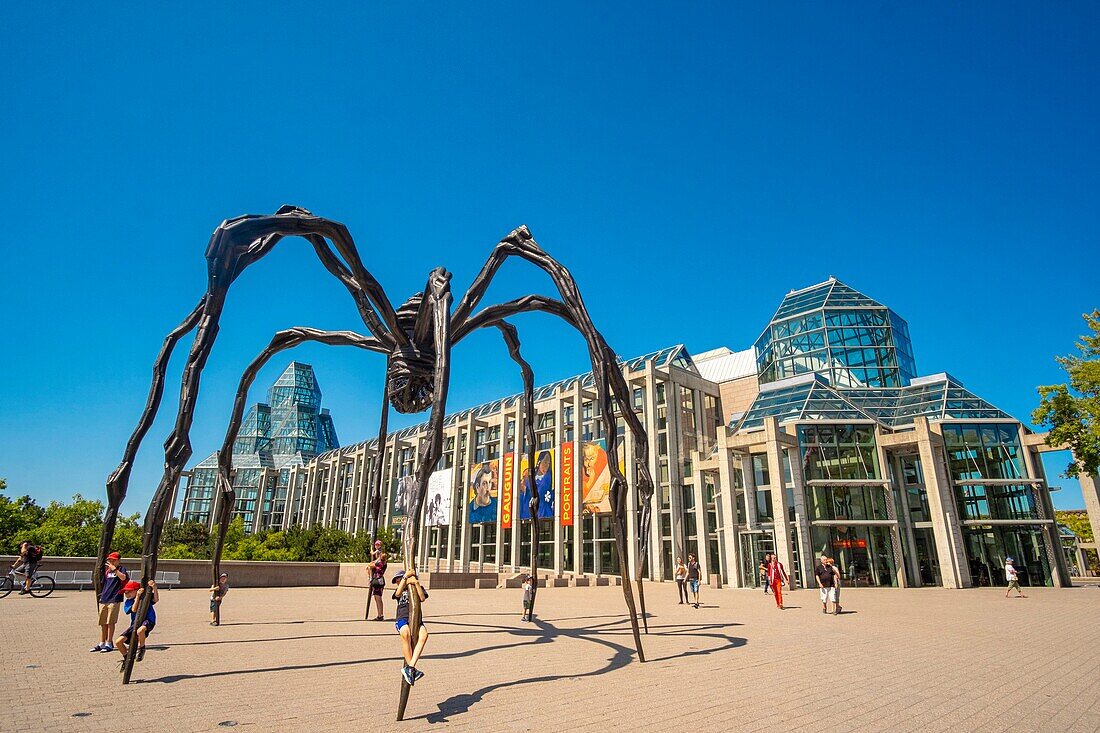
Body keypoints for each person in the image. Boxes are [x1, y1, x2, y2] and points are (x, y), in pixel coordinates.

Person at [393, 569, 429, 686]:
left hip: (416, 619)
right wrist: (405, 579)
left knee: (424, 635)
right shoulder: (400, 591)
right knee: (405, 634)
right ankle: (411, 669)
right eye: (397, 580)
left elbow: (422, 598)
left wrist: (416, 583)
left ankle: (410, 667)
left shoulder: (417, 587)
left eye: (399, 578)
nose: (398, 582)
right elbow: (397, 594)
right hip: (402, 618)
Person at [91, 552, 129, 653]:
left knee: (110, 621)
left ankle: (109, 642)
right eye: (110, 560)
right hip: (105, 598)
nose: (111, 562)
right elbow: (104, 583)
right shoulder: (107, 572)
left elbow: (123, 578)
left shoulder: (121, 569)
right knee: (103, 622)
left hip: (115, 598)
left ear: (118, 560)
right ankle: (102, 642)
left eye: (114, 560)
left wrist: (115, 569)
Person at [116, 579, 158, 667]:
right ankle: (126, 658)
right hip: (135, 623)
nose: (126, 594)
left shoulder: (145, 597)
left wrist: (154, 588)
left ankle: (142, 648)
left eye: (129, 592)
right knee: (118, 642)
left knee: (140, 630)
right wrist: (137, 597)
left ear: (136, 590)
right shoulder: (128, 602)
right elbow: (134, 609)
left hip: (148, 620)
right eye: (125, 593)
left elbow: (156, 599)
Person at [370, 551, 388, 620]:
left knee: (378, 599)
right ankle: (380, 614)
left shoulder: (380, 563)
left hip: (377, 581)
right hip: (380, 581)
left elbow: (370, 565)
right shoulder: (384, 563)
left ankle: (380, 615)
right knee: (378, 598)